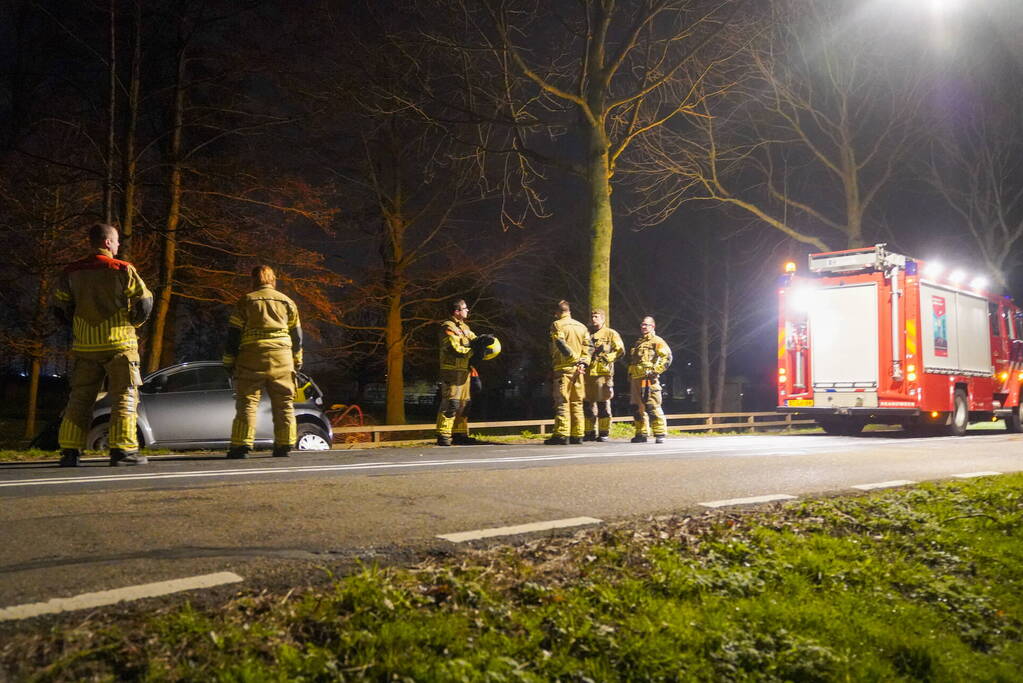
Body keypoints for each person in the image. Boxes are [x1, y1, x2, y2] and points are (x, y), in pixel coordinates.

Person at [54, 223, 153, 467]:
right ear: (108, 242)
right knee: (125, 396)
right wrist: (133, 324)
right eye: (117, 241)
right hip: (120, 344)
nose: (118, 245)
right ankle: (122, 450)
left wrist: (78, 327)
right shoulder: (122, 269)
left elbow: (59, 307)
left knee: (80, 398)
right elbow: (145, 302)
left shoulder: (71, 271)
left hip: (86, 346)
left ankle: (69, 450)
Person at [222, 265, 303, 459]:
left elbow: (234, 334)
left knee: (247, 402)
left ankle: (241, 445)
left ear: (254, 280)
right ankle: (284, 444)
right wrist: (297, 359)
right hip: (282, 356)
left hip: (252, 355)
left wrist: (229, 361)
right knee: (284, 402)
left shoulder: (246, 301)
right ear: (273, 279)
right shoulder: (288, 302)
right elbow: (297, 335)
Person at [436, 298, 492, 446]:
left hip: (465, 371)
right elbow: (455, 349)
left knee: (464, 405)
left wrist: (483, 342)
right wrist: (475, 351)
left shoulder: (465, 328)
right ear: (456, 311)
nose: (468, 310)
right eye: (465, 308)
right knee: (451, 403)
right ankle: (444, 434)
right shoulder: (447, 327)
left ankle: (460, 433)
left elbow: (474, 340)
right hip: (452, 372)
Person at [547, 300, 592, 445]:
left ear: (557, 312)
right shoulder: (582, 326)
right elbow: (589, 347)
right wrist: (583, 361)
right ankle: (578, 434)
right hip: (579, 370)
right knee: (577, 402)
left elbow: (560, 343)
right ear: (569, 311)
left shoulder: (557, 325)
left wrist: (572, 358)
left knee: (562, 401)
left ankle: (561, 434)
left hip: (564, 369)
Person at [627, 315, 673, 444]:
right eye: (642, 325)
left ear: (653, 326)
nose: (643, 327)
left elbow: (667, 357)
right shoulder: (639, 342)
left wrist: (655, 371)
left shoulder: (657, 341)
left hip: (648, 379)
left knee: (652, 405)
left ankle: (660, 433)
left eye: (646, 325)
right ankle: (641, 433)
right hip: (636, 379)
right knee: (637, 407)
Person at [583, 308, 625, 442]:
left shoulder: (611, 333)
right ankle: (589, 431)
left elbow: (620, 350)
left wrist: (608, 358)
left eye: (596, 316)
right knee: (587, 404)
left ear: (603, 318)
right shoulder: (587, 333)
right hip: (588, 374)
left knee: (603, 403)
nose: (594, 319)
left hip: (603, 373)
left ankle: (603, 432)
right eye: (592, 316)